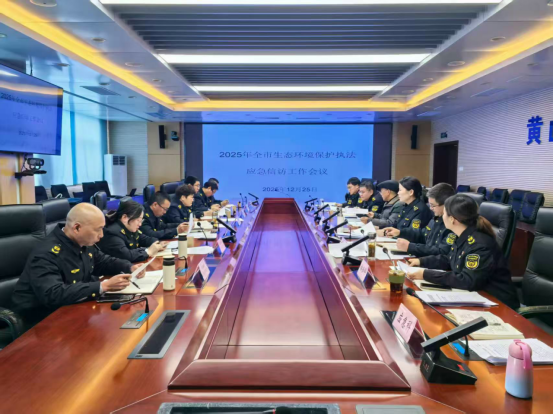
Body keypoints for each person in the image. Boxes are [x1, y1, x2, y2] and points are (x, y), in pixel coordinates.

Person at [11, 204, 145, 328]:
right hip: (39, 320)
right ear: (77, 228)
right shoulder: (47, 253)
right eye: (98, 230)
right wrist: (102, 286)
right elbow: (53, 294)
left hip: (72, 308)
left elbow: (103, 261)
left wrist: (129, 267)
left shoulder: (83, 242)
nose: (101, 235)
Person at [406, 194, 520, 310]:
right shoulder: (463, 235)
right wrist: (421, 261)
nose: (442, 217)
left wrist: (426, 274)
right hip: (476, 295)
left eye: (444, 213)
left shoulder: (479, 244)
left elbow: (467, 280)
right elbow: (450, 259)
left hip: (497, 303)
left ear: (452, 219)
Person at [382, 183, 457, 257]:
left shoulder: (453, 224)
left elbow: (441, 251)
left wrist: (411, 247)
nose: (431, 208)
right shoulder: (437, 217)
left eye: (433, 205)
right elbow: (423, 234)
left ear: (446, 204)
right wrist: (400, 232)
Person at [98, 199, 168, 263]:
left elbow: (144, 239)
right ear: (124, 217)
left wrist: (157, 243)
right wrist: (147, 251)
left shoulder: (130, 228)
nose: (140, 224)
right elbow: (127, 255)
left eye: (141, 220)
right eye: (138, 220)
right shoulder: (112, 233)